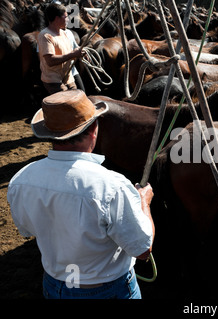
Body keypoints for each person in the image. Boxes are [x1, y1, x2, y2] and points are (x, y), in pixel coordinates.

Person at [7, 90, 155, 299]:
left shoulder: (21, 179)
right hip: (108, 290)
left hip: (54, 285)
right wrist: (144, 202)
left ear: (49, 133)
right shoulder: (112, 185)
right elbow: (143, 250)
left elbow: (27, 229)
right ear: (94, 128)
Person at [38, 2, 85, 95]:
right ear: (57, 18)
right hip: (54, 82)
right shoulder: (45, 35)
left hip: (68, 78)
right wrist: (73, 54)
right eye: (66, 16)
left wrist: (77, 52)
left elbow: (68, 53)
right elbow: (50, 61)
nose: (68, 19)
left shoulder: (63, 33)